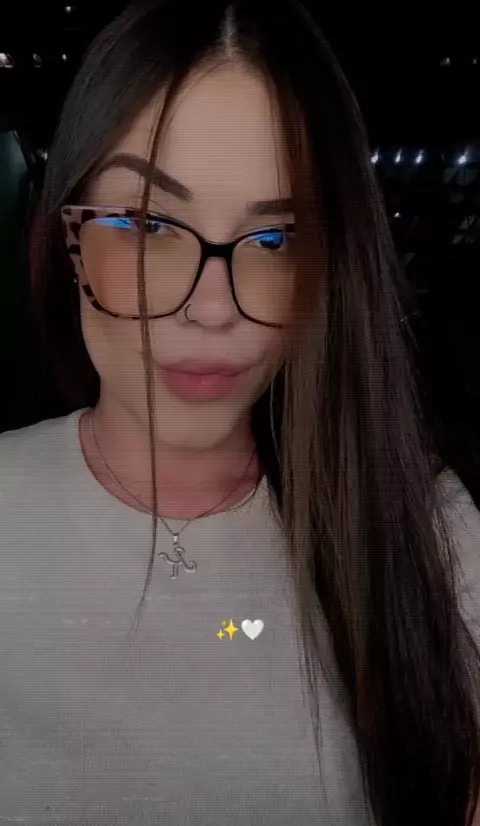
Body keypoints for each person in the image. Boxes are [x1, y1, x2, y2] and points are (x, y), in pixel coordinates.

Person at [0, 1, 479, 824]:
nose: (212, 309)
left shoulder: (427, 533)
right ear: (68, 239)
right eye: (147, 225)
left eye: (275, 239)